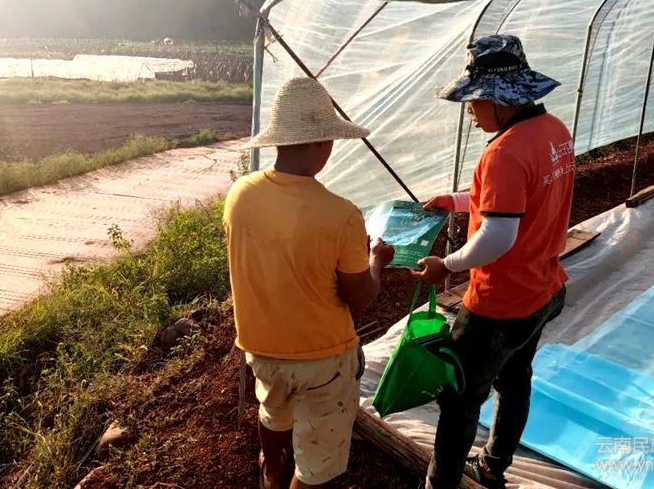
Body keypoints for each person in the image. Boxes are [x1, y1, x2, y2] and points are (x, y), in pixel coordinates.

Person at [412, 35, 574, 489]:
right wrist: (456, 200)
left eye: (476, 99)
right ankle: (492, 466)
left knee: (460, 400)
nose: (470, 110)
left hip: (499, 304)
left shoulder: (504, 152)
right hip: (543, 288)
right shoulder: (553, 131)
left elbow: (499, 235)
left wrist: (447, 265)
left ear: (501, 100)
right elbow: (519, 200)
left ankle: (441, 484)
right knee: (516, 378)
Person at [223, 76, 395, 489]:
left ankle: (272, 471)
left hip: (261, 348)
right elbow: (358, 299)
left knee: (273, 412)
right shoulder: (341, 214)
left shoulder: (240, 194)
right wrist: (376, 261)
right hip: (322, 359)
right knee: (318, 462)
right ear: (322, 142)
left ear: (279, 140)